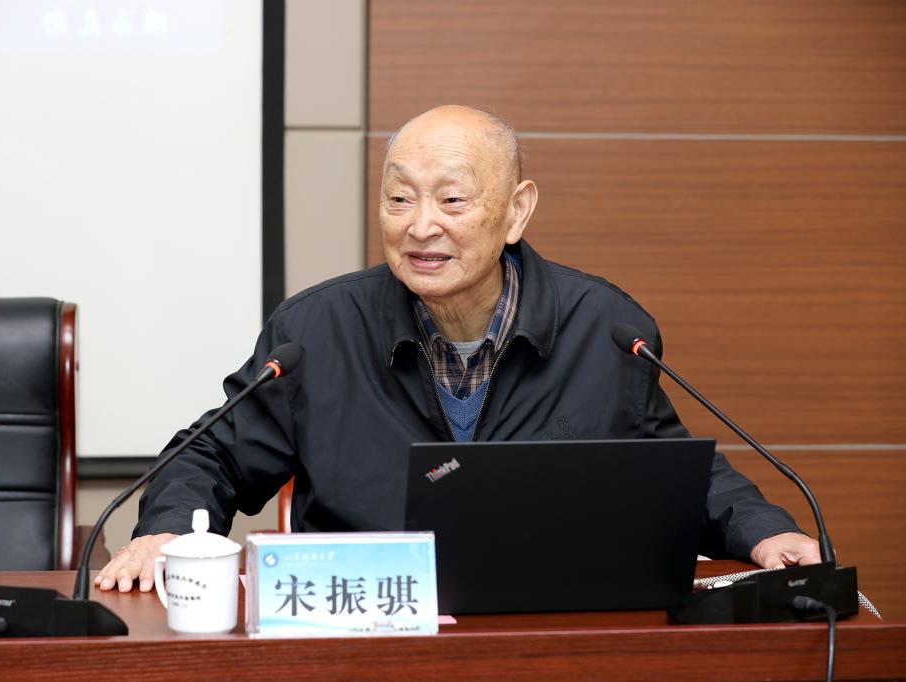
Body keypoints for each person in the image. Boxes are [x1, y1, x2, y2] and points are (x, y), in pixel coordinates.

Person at [95, 105, 821, 593]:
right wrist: (168, 532)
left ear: (516, 210)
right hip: (367, 630)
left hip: (540, 629)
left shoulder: (603, 326)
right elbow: (210, 455)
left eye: (452, 200)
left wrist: (765, 532)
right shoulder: (316, 331)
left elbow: (669, 467)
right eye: (399, 198)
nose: (420, 226)